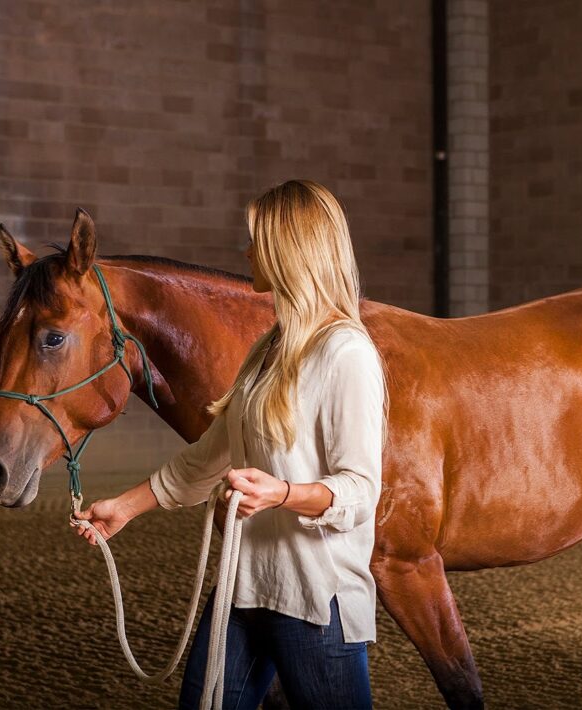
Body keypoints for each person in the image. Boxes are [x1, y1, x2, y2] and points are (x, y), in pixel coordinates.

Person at [73, 179, 389, 710]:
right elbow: (207, 456)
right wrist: (122, 509)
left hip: (315, 600)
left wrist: (282, 493)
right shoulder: (269, 348)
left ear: (290, 248)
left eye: (257, 240)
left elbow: (360, 491)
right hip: (245, 587)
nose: (246, 253)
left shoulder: (346, 353)